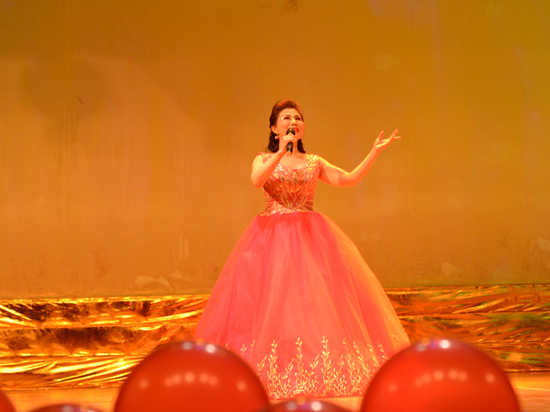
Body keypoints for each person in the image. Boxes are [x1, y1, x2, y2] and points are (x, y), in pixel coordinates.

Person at [194, 99, 409, 399]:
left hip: (311, 240)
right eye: (286, 118)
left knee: (311, 306)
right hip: (271, 241)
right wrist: (281, 152)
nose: (293, 122)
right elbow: (256, 180)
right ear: (274, 127)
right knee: (272, 305)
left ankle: (316, 370)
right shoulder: (262, 158)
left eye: (297, 118)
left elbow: (348, 179)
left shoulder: (314, 162)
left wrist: (374, 152)